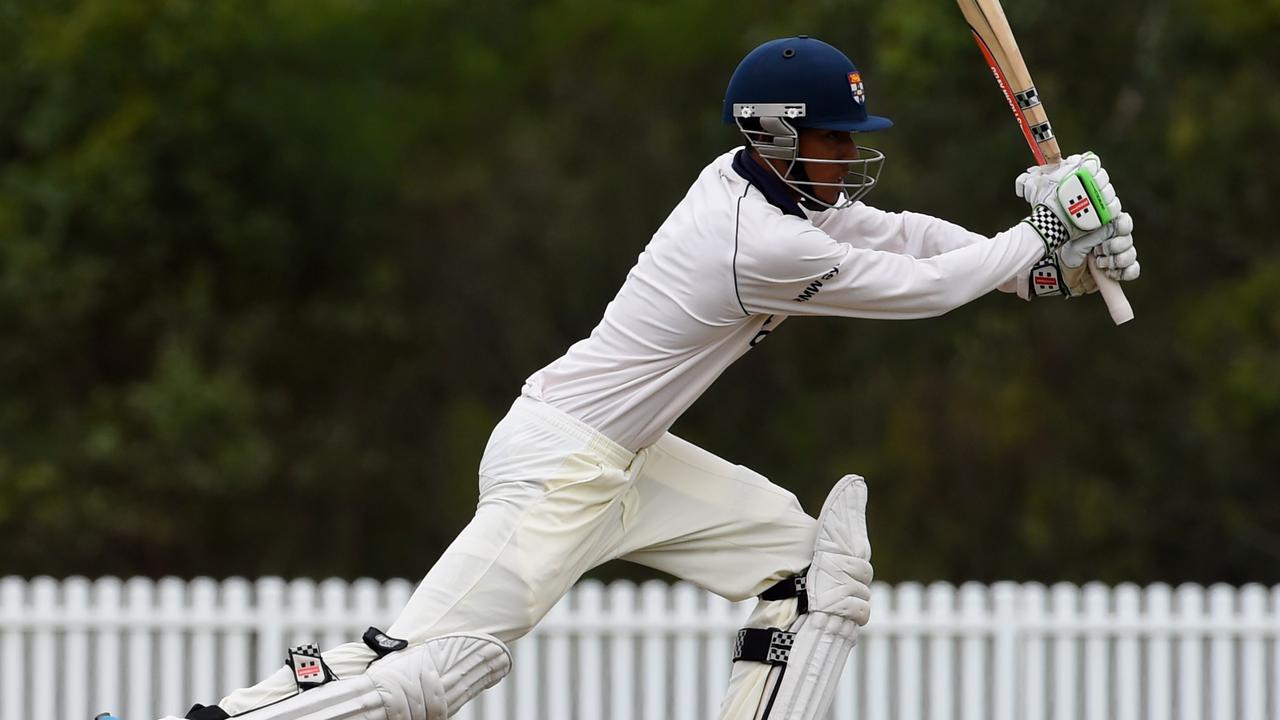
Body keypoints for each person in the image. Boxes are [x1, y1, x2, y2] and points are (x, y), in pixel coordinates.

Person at [115, 34, 1139, 720]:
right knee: (430, 672)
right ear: (776, 135)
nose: (847, 157)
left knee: (807, 569)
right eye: (834, 138)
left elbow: (911, 238)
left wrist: (1045, 266)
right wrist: (1036, 235)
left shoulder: (780, 198)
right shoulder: (755, 240)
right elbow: (921, 291)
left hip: (629, 460)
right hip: (562, 466)